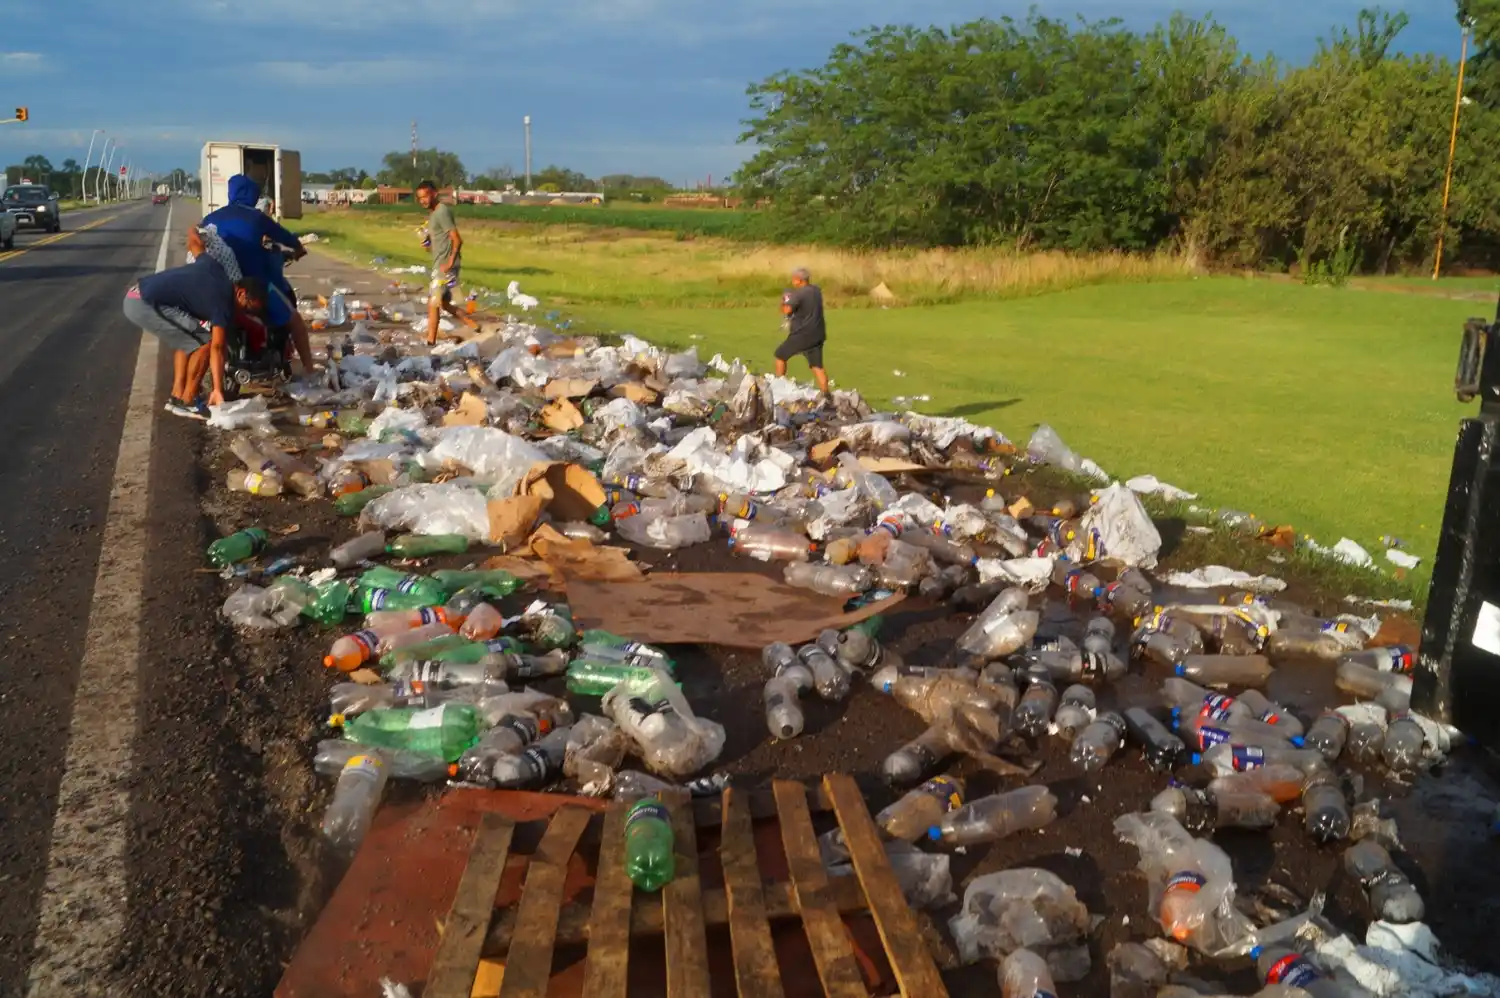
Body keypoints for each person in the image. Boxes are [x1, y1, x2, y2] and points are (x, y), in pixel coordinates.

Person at [199, 174, 316, 375]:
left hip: (219, 286)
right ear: (253, 195)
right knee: (295, 320)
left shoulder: (210, 218)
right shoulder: (257, 217)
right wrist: (298, 248)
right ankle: (310, 370)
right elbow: (285, 236)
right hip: (255, 286)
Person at [122, 256, 266, 418]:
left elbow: (199, 250)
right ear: (241, 293)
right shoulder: (223, 303)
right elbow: (217, 347)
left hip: (136, 293)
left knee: (188, 339)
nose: (245, 313)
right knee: (205, 342)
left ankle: (177, 396)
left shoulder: (215, 268)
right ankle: (188, 401)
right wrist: (217, 389)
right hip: (144, 302)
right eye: (247, 308)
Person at [416, 180, 479, 345]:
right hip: (440, 263)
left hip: (445, 265)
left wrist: (450, 262)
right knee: (443, 303)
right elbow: (435, 246)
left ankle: (430, 341)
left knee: (433, 303)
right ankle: (473, 324)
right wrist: (427, 244)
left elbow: (457, 239)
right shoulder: (433, 215)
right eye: (420, 198)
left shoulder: (441, 211)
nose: (423, 200)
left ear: (434, 194)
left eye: (425, 196)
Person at [776, 267, 830, 394]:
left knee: (780, 356)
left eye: (793, 279)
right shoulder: (816, 290)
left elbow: (787, 310)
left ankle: (778, 387)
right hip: (817, 334)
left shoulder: (799, 294)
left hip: (802, 334)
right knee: (817, 366)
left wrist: (784, 301)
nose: (792, 282)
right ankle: (826, 394)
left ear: (798, 280)